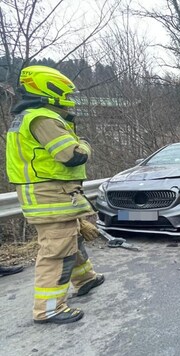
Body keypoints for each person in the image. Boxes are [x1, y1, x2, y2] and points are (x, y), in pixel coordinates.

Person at [5, 65, 104, 324]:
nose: (69, 100)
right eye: (66, 95)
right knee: (57, 251)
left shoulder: (30, 117)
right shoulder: (43, 118)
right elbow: (72, 155)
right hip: (49, 196)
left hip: (54, 195)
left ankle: (86, 279)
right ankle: (49, 308)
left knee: (72, 240)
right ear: (50, 90)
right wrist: (85, 145)